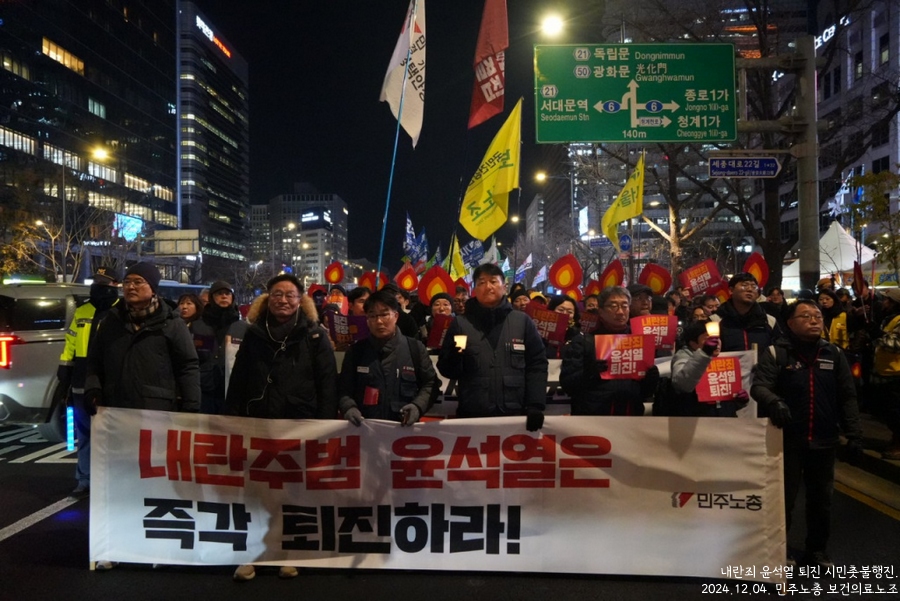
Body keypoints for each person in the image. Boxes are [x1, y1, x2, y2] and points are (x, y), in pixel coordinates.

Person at [84, 262, 200, 572]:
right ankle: (114, 545)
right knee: (120, 481)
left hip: (157, 412)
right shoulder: (110, 321)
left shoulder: (171, 323)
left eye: (138, 282)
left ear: (153, 288)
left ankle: (156, 545)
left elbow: (188, 366)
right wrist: (93, 389)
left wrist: (191, 407)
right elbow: (94, 361)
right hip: (116, 413)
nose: (130, 287)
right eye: (127, 282)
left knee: (156, 482)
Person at [226, 273, 337, 581]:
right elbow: (238, 380)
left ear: (300, 300)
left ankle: (291, 553)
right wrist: (231, 417)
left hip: (299, 427)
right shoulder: (253, 333)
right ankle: (251, 556)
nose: (283, 300)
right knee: (257, 494)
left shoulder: (315, 335)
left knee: (294, 494)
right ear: (267, 298)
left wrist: (323, 427)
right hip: (259, 425)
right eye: (277, 294)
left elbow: (328, 384)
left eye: (290, 295)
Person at [751, 299, 863, 568]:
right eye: (806, 316)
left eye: (818, 316)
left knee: (821, 501)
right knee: (783, 500)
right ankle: (779, 550)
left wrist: (854, 434)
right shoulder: (776, 353)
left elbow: (847, 396)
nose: (814, 320)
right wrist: (775, 402)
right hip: (787, 440)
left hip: (825, 440)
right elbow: (759, 386)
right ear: (790, 323)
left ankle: (817, 551)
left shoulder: (833, 354)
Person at [437, 263, 548, 430]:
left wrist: (535, 405)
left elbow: (537, 364)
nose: (488, 287)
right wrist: (456, 354)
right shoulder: (460, 324)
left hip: (515, 416)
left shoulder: (522, 322)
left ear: (504, 287)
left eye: (493, 281)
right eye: (481, 282)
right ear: (474, 289)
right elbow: (448, 370)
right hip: (473, 416)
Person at [57, 265, 120, 500]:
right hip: (81, 379)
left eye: (104, 283)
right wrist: (65, 369)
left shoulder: (122, 311)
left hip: (112, 381)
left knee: (114, 436)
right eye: (96, 282)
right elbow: (71, 342)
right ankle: (84, 479)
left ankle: (113, 480)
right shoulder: (83, 310)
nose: (98, 286)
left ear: (115, 285)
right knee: (84, 434)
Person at [338, 290, 438, 426]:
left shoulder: (415, 348)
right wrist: (349, 407)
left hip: (404, 429)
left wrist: (417, 406)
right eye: (372, 316)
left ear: (395, 316)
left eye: (384, 314)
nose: (379, 321)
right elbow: (343, 388)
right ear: (367, 320)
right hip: (365, 428)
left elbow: (431, 384)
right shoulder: (356, 351)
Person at [560, 286, 659, 416]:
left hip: (630, 415)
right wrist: (590, 373)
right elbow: (568, 385)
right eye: (613, 306)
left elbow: (645, 392)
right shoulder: (584, 341)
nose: (620, 312)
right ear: (600, 311)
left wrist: (651, 379)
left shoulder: (640, 341)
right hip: (593, 417)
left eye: (624, 306)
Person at [669, 321, 750, 417]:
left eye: (718, 338)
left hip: (723, 423)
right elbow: (682, 384)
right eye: (708, 339)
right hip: (695, 421)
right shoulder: (683, 357)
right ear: (693, 344)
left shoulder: (722, 360)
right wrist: (705, 353)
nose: (716, 343)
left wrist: (737, 401)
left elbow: (718, 403)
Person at [192, 280, 241, 415]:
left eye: (227, 293)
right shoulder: (197, 326)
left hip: (232, 390)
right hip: (204, 390)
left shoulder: (242, 327)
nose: (224, 296)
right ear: (211, 298)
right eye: (219, 293)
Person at [710, 272, 781, 356]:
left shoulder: (769, 321)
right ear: (731, 290)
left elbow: (779, 350)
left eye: (754, 286)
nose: (750, 289)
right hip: (728, 364)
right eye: (745, 285)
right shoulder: (715, 321)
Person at [871, 288, 900, 459]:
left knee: (896, 411)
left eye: (887, 300)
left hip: (896, 373)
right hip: (885, 371)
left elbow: (896, 344)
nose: (884, 303)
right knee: (888, 411)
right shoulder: (888, 319)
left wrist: (878, 334)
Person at [546, 294, 580, 358]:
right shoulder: (542, 332)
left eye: (569, 312)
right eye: (561, 310)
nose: (565, 314)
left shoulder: (577, 335)